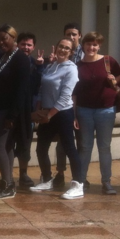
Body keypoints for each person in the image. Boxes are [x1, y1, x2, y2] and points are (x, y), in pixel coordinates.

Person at [29, 38, 85, 200]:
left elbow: (65, 96)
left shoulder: (71, 69)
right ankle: (47, 179)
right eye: (61, 46)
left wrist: (49, 115)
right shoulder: (51, 66)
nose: (62, 50)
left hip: (62, 113)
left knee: (69, 148)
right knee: (41, 148)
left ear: (71, 52)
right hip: (47, 112)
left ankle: (78, 185)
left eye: (67, 48)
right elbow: (42, 90)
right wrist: (39, 109)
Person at [73, 32, 120, 195]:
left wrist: (114, 80)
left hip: (106, 110)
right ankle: (81, 181)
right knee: (85, 147)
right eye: (88, 44)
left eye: (94, 44)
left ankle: (106, 181)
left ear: (99, 46)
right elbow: (74, 92)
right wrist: (74, 114)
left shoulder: (108, 61)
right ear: (83, 46)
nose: (91, 47)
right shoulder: (78, 66)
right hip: (84, 110)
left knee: (104, 147)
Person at [0, 25, 31, 199]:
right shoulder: (3, 56)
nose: (1, 42)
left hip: (8, 111)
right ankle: (7, 182)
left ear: (13, 37)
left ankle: (8, 184)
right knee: (6, 146)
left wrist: (12, 115)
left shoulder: (21, 59)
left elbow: (22, 90)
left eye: (4, 38)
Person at [53, 22, 84, 189]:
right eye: (68, 34)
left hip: (82, 104)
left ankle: (80, 177)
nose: (71, 37)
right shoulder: (59, 56)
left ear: (79, 36)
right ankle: (60, 173)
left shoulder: (86, 54)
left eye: (74, 34)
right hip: (65, 104)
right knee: (62, 144)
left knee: (80, 144)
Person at [15, 32, 43, 188]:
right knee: (8, 144)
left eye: (29, 45)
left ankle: (23, 174)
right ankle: (7, 175)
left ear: (33, 47)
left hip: (28, 113)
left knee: (25, 145)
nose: (25, 47)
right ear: (17, 45)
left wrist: (39, 68)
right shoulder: (10, 61)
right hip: (11, 112)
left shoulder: (36, 65)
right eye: (23, 44)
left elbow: (38, 90)